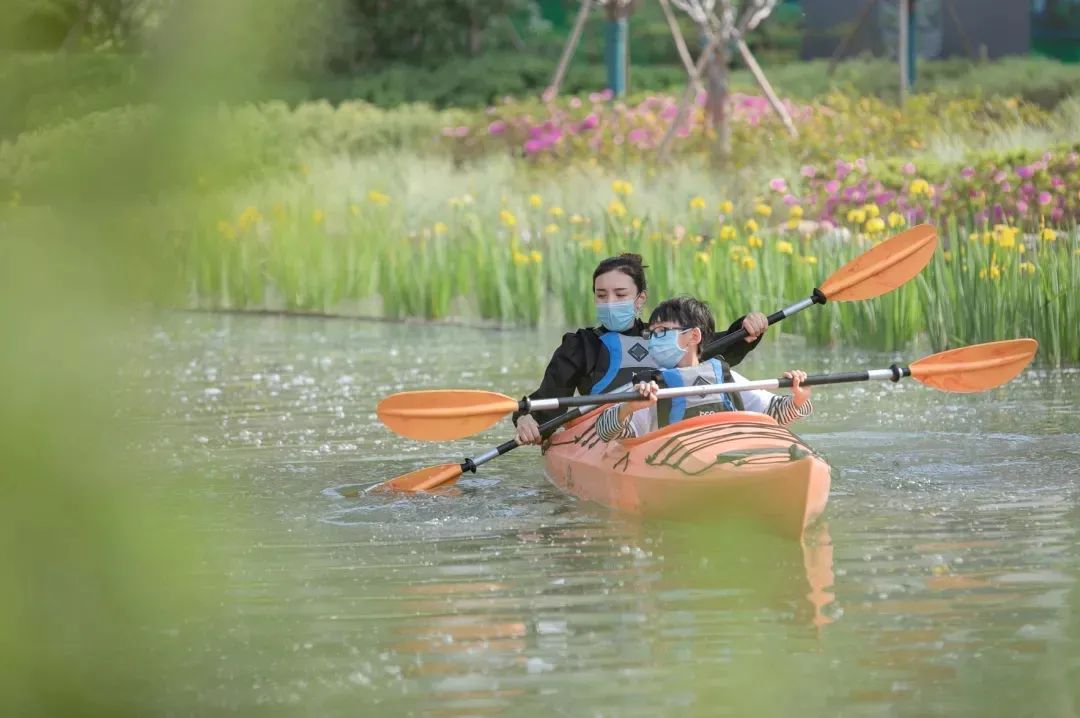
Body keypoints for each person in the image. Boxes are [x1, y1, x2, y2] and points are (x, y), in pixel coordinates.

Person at [513, 253, 769, 445]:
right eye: (601, 295)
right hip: (609, 435)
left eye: (620, 294)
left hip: (666, 428)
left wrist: (747, 329)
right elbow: (549, 400)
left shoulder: (667, 337)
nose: (609, 302)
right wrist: (527, 419)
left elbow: (714, 350)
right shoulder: (581, 345)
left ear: (640, 299)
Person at [595, 295, 812, 441]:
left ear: (694, 336)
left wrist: (798, 399)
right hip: (673, 463)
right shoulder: (649, 387)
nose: (653, 340)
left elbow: (776, 413)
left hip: (726, 452)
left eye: (661, 331)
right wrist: (628, 408)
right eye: (650, 333)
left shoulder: (725, 376)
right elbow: (605, 432)